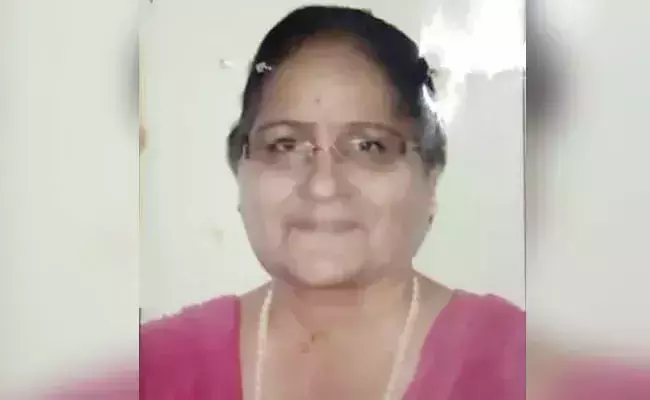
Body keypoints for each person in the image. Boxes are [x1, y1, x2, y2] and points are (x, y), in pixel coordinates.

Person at [140, 5, 524, 400]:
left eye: (369, 146)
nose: (323, 185)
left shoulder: (521, 368)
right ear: (241, 169)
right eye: (284, 145)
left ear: (430, 177)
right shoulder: (152, 367)